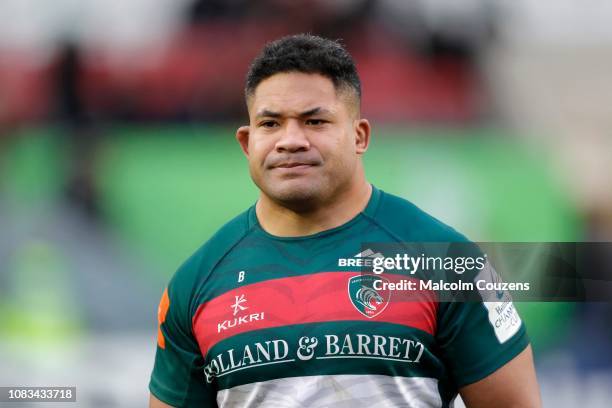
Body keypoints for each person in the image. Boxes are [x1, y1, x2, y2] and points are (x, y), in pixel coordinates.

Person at [149, 34, 541, 407]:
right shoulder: (195, 283)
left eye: (315, 122)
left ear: (360, 136)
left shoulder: (447, 260)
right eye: (270, 124)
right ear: (246, 142)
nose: (291, 140)